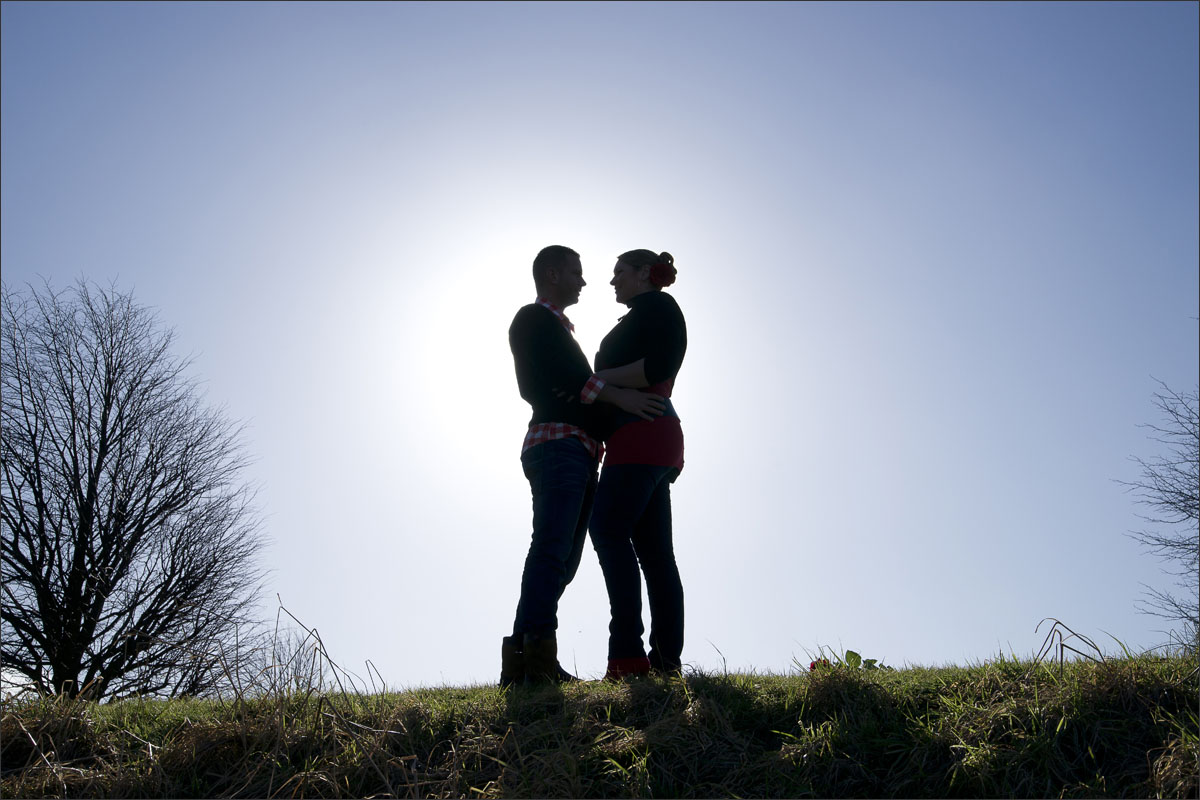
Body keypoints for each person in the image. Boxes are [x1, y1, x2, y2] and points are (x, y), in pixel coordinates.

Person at [503, 245, 664, 686]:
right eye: (577, 272)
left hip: (578, 449)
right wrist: (623, 396)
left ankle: (524, 657)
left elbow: (576, 383)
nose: (585, 281)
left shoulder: (556, 327)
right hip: (558, 445)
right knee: (553, 548)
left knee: (563, 557)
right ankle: (533, 655)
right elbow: (572, 379)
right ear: (552, 274)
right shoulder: (534, 320)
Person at [589, 249, 688, 680]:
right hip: (648, 437)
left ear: (645, 274)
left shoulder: (660, 307)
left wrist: (596, 380)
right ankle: (664, 663)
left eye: (619, 273)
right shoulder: (641, 314)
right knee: (654, 554)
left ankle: (628, 657)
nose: (612, 281)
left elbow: (659, 365)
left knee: (608, 530)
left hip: (642, 435)